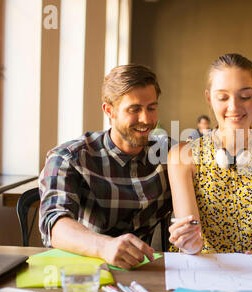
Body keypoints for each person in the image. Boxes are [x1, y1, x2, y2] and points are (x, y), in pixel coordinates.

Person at [38, 64, 173, 270]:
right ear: (109, 110)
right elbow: (54, 224)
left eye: (151, 108)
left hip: (143, 270)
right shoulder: (69, 157)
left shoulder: (170, 155)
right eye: (134, 109)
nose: (146, 119)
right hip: (87, 272)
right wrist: (105, 246)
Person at [167, 53, 252, 259]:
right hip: (200, 277)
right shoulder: (183, 157)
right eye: (223, 97)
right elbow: (191, 244)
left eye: (245, 96)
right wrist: (189, 242)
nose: (234, 107)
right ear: (209, 98)